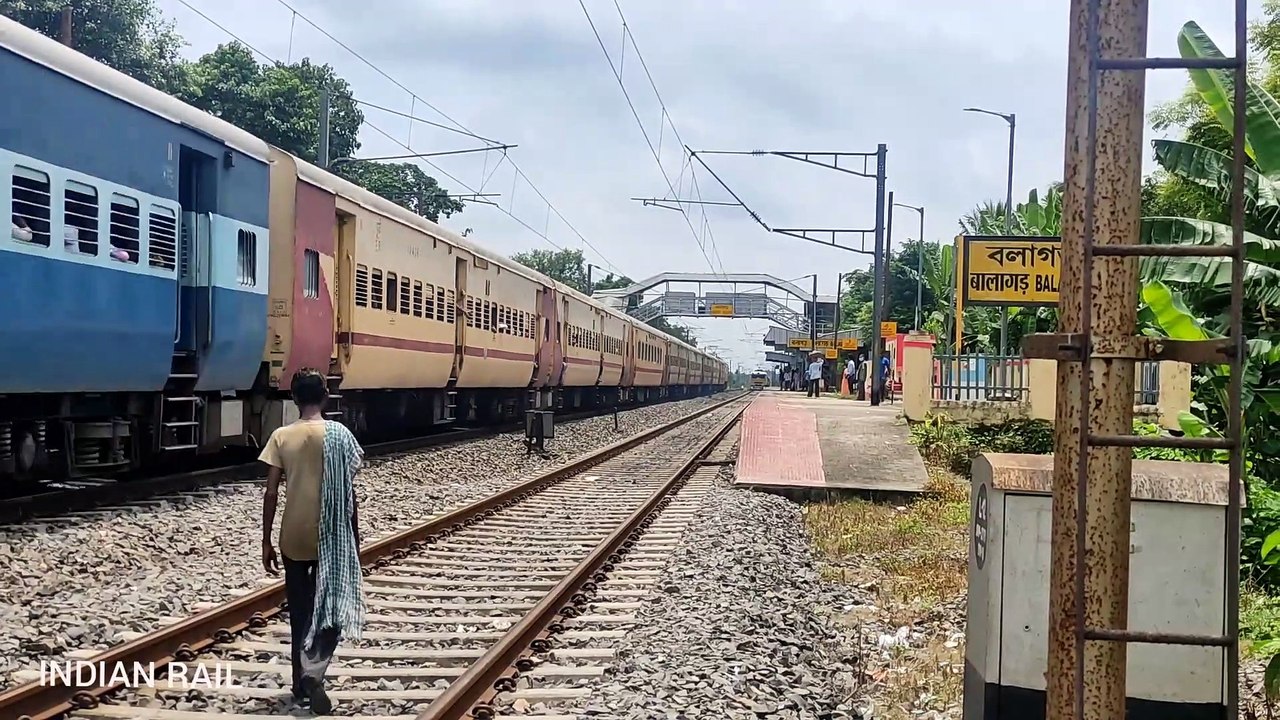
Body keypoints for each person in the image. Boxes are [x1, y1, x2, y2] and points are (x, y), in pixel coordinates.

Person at [260, 369, 365, 715]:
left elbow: (272, 492)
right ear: (324, 397)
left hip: (293, 535)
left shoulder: (280, 436)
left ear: (293, 398)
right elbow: (349, 493)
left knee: (300, 611)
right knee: (330, 607)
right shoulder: (341, 436)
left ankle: (298, 681)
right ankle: (314, 672)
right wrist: (354, 537)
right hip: (330, 535)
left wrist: (266, 541)